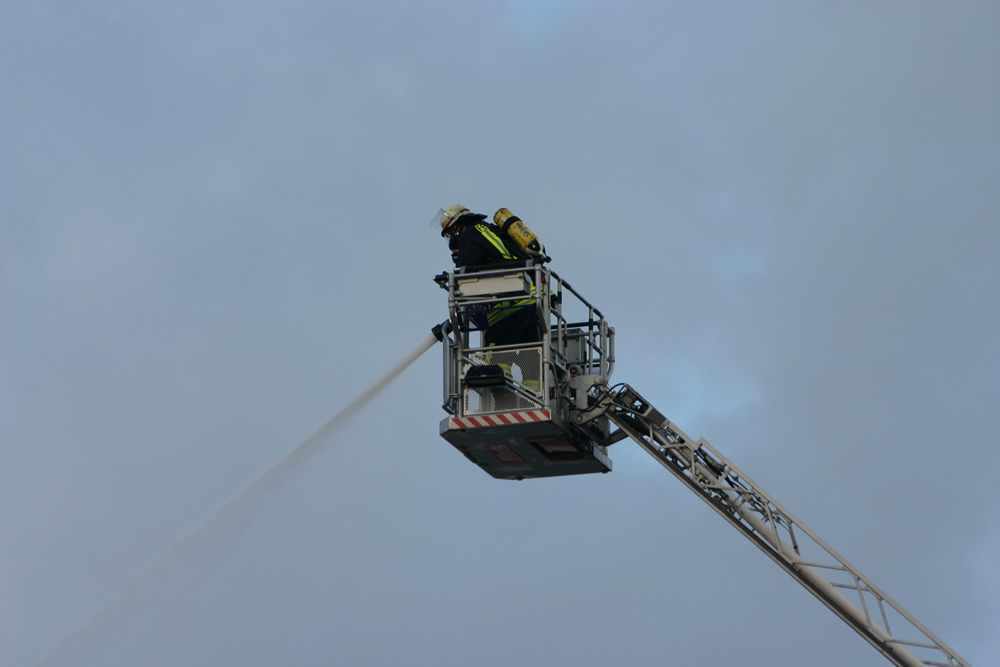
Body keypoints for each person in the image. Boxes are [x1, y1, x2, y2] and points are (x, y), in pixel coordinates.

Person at [439, 205, 542, 392]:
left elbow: (464, 267)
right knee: (531, 357)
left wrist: (454, 285)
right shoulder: (490, 230)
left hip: (506, 308)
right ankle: (535, 394)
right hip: (530, 303)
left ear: (457, 227)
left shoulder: (470, 234)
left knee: (496, 357)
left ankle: (502, 398)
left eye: (450, 233)